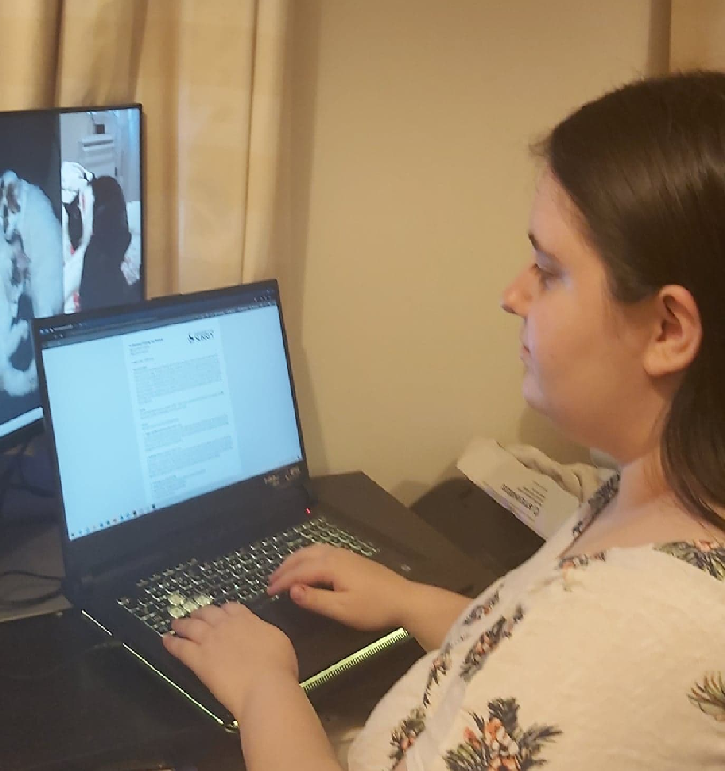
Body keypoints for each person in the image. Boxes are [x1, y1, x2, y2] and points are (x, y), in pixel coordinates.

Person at [162, 71, 725, 770]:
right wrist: (406, 599)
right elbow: (524, 669)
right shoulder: (660, 493)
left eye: (549, 271)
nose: (512, 293)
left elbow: (579, 665)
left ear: (669, 327)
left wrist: (264, 685)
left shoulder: (636, 639)